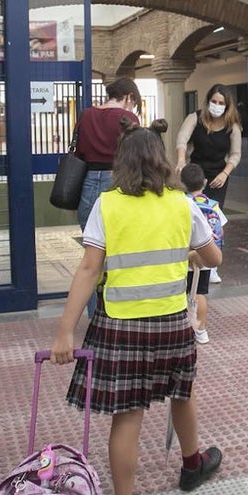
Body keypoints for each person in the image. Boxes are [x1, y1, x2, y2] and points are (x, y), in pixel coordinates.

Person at [52, 118, 224, 495]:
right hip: (170, 323)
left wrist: (64, 330)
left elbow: (88, 269)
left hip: (120, 326)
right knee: (182, 394)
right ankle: (191, 464)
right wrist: (187, 252)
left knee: (127, 416)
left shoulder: (107, 204)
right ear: (161, 161)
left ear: (121, 162)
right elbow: (213, 257)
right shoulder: (182, 203)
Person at [74, 77, 142, 317]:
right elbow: (135, 155)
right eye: (134, 103)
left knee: (94, 254)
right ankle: (119, 310)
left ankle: (95, 314)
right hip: (119, 182)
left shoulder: (86, 115)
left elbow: (80, 150)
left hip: (88, 183)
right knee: (122, 250)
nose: (133, 108)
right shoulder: (129, 119)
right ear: (128, 98)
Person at [175, 83, 241, 210]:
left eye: (221, 103)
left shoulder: (232, 126)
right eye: (214, 101)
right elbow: (182, 138)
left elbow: (235, 154)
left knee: (213, 214)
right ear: (208, 101)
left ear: (227, 105)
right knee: (192, 211)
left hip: (218, 177)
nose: (217, 105)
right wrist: (181, 160)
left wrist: (225, 173)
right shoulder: (195, 118)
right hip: (195, 174)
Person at [180, 163, 226, 345]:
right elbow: (221, 229)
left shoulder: (183, 204)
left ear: (181, 183)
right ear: (205, 182)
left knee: (183, 294)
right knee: (200, 293)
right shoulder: (212, 205)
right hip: (206, 256)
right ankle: (201, 330)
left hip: (187, 256)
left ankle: (185, 329)